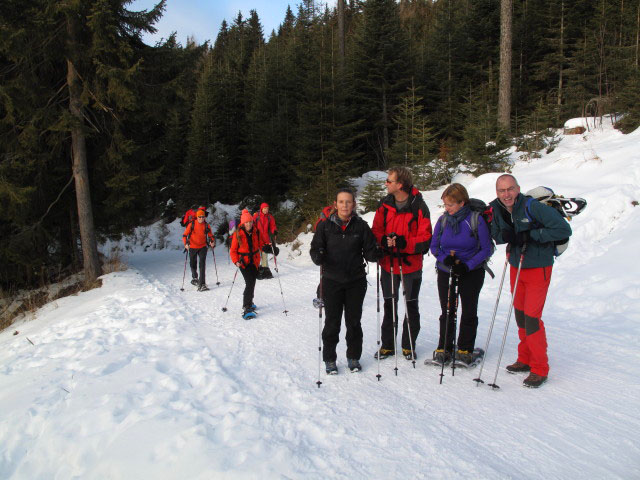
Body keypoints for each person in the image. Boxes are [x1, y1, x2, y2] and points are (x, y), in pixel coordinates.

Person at [489, 174, 572, 388]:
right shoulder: (498, 208)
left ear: (518, 188)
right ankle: (524, 358)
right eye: (501, 190)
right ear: (497, 192)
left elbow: (564, 229)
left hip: (538, 266)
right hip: (517, 266)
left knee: (532, 318)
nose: (506, 194)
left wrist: (531, 235)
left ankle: (539, 368)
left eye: (510, 189)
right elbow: (496, 234)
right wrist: (506, 235)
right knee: (520, 315)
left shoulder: (533, 207)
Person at [310, 189, 380, 374]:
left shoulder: (361, 226)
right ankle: (330, 359)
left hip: (355, 281)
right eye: (341, 202)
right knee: (332, 322)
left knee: (354, 322)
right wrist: (318, 255)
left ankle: (353, 357)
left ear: (354, 204)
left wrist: (380, 249)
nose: (345, 205)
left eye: (348, 202)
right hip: (331, 281)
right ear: (335, 204)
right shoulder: (325, 226)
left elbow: (371, 253)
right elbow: (315, 249)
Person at [372, 166, 432, 361]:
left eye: (389, 181)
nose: (386, 184)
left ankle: (408, 345)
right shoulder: (384, 205)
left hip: (411, 266)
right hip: (388, 264)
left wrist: (404, 242)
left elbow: (426, 238)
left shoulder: (419, 206)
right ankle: (388, 345)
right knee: (389, 305)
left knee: (411, 306)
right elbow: (376, 230)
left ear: (400, 184)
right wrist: (384, 241)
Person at [430, 183, 493, 366]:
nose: (447, 209)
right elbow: (434, 246)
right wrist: (444, 259)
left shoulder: (475, 219)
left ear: (462, 203)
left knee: (468, 309)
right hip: (446, 269)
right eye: (445, 205)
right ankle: (445, 347)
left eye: (450, 204)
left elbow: (486, 249)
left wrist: (468, 265)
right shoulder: (443, 221)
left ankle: (465, 348)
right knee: (448, 309)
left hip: (471, 271)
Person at [231, 209, 266, 319]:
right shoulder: (238, 234)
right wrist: (236, 261)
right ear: (242, 223)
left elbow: (261, 244)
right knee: (249, 283)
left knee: (253, 282)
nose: (249, 224)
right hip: (243, 262)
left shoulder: (256, 231)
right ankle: (246, 307)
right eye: (246, 222)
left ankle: (250, 302)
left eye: (250, 222)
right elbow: (233, 250)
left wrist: (268, 247)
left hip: (255, 261)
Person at [182, 207, 215, 291]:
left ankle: (202, 284)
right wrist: (185, 243)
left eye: (202, 217)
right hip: (192, 247)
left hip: (203, 247)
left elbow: (211, 235)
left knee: (202, 265)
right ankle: (195, 278)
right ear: (197, 217)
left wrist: (212, 241)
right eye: (199, 217)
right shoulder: (192, 224)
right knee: (193, 264)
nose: (201, 218)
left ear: (204, 217)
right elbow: (185, 235)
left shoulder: (206, 225)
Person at [312, 202, 337, 309]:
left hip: (339, 251)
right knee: (326, 276)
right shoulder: (326, 217)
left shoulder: (347, 216)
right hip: (327, 251)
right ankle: (320, 297)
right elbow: (318, 230)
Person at [253, 203, 278, 280]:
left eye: (267, 208)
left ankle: (264, 270)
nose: (266, 210)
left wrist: (274, 231)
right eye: (264, 208)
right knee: (257, 255)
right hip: (257, 238)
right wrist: (254, 231)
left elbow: (273, 226)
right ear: (261, 209)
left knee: (264, 254)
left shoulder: (270, 217)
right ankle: (256, 270)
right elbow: (252, 224)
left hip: (266, 238)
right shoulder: (256, 216)